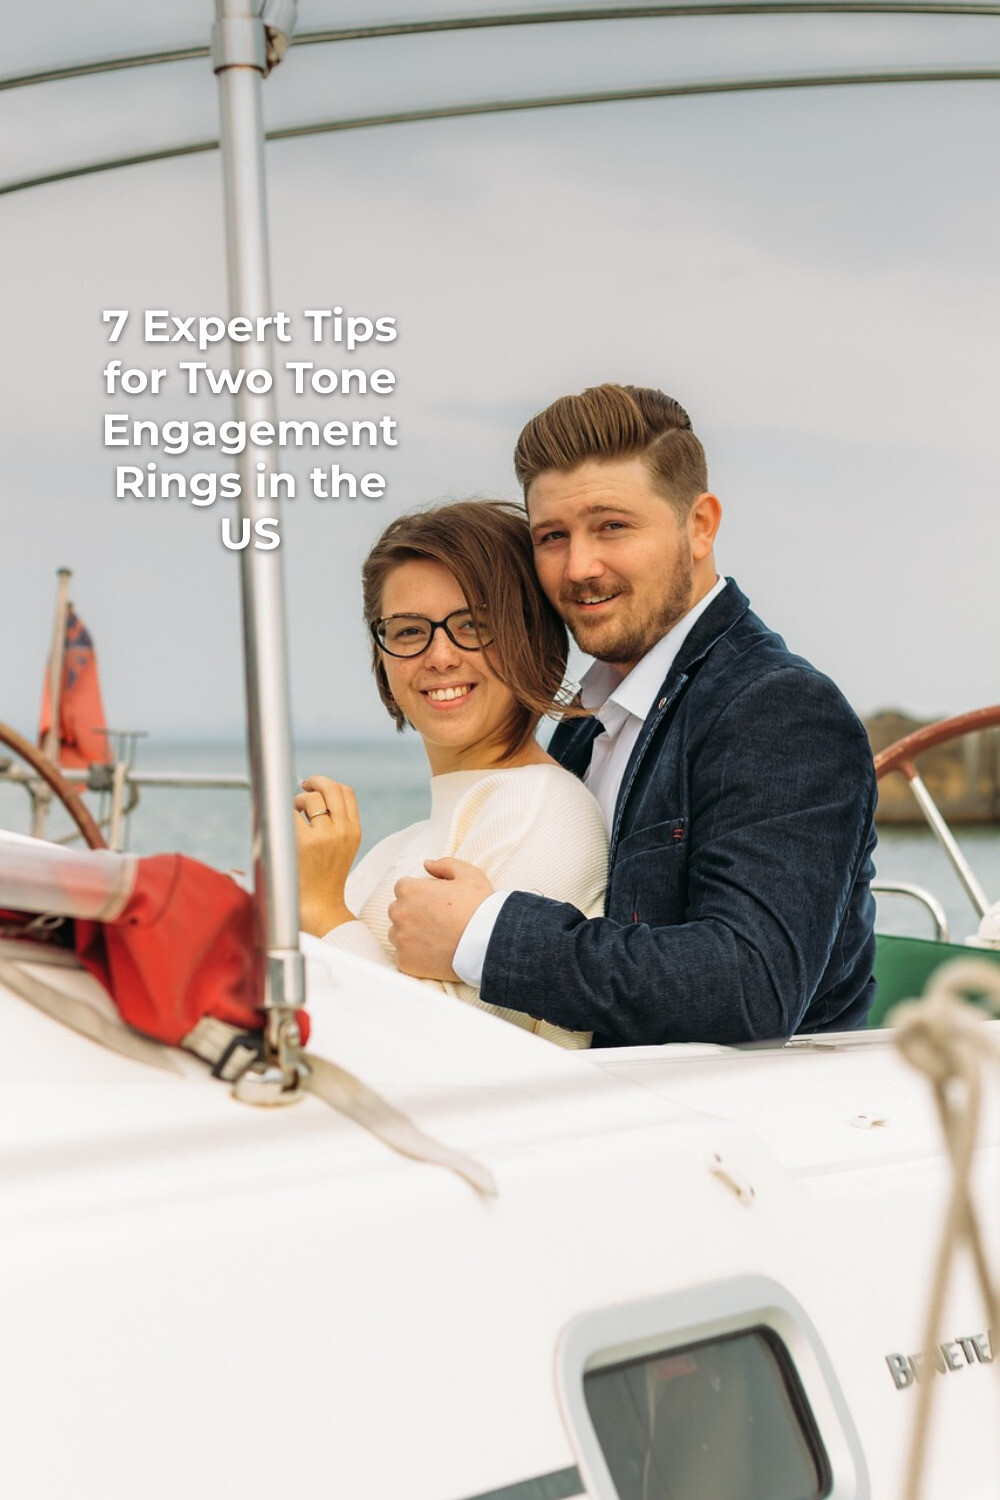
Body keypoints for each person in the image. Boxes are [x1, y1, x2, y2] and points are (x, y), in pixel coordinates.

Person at [386, 384, 878, 1046]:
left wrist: (483, 935)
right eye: (552, 536)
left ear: (700, 525)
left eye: (612, 526)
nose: (579, 567)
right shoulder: (586, 721)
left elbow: (751, 985)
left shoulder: (779, 707)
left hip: (738, 1106)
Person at [294, 499, 608, 1048]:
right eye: (409, 631)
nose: (440, 656)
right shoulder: (403, 843)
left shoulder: (542, 807)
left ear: (532, 637)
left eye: (474, 626)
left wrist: (322, 907)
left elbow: (446, 1055)